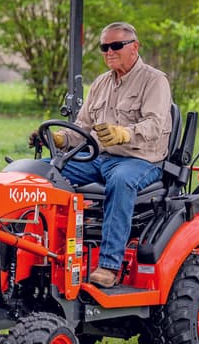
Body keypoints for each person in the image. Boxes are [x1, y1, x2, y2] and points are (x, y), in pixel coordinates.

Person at [28, 22, 173, 288]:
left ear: (134, 47)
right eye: (104, 47)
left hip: (141, 160)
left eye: (116, 45)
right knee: (41, 172)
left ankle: (108, 265)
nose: (109, 52)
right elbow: (82, 129)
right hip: (98, 159)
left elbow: (155, 124)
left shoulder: (154, 81)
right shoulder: (101, 83)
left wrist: (124, 133)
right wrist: (60, 139)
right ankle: (34, 250)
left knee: (120, 181)